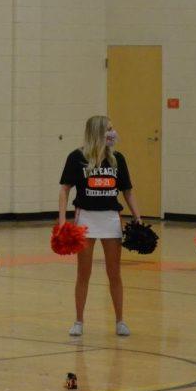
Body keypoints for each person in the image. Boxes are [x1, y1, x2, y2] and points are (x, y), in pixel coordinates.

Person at [58, 115, 141, 338]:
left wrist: (138, 217)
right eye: (109, 129)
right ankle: (78, 320)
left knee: (114, 273)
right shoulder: (77, 157)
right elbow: (65, 189)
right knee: (83, 273)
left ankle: (120, 321)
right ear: (97, 132)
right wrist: (62, 221)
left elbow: (128, 191)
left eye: (113, 129)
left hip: (111, 219)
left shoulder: (118, 159)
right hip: (85, 218)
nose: (113, 134)